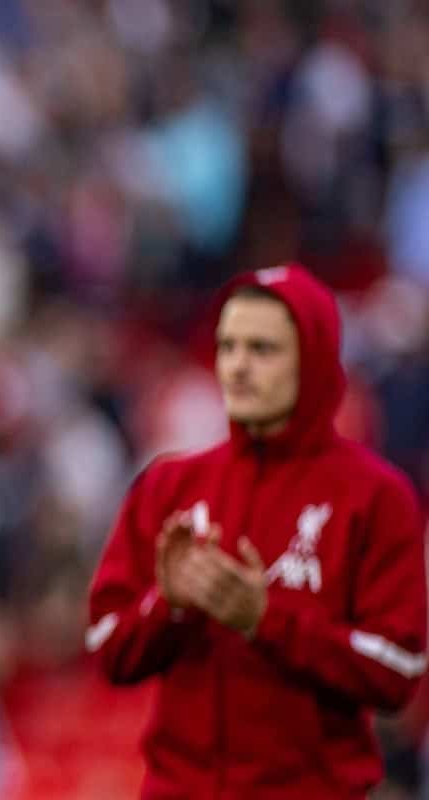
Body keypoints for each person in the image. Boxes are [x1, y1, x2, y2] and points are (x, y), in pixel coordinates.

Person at [87, 263, 428, 798]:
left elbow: (399, 670)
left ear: (314, 358)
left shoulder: (378, 496)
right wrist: (168, 605)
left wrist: (265, 621)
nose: (237, 367)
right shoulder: (168, 484)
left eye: (262, 349)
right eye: (227, 347)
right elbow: (107, 649)